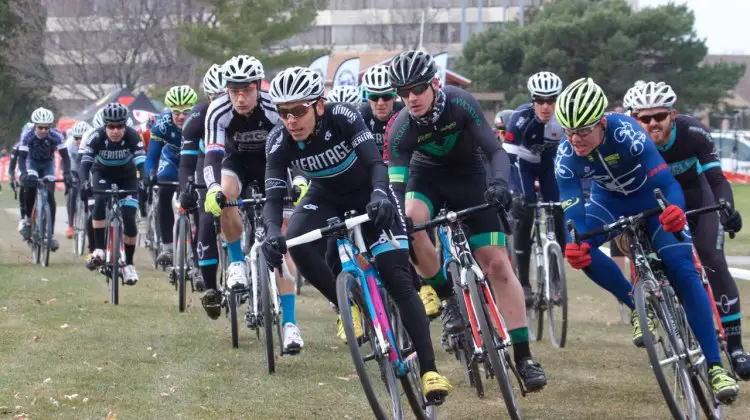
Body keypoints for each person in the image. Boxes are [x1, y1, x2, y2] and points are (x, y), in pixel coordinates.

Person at [261, 66, 452, 400]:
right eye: (283, 112)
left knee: (397, 278)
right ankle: (346, 306)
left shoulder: (344, 116)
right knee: (298, 243)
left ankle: (429, 370)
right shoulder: (278, 140)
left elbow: (376, 164)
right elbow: (274, 195)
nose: (291, 120)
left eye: (299, 110)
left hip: (370, 192)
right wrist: (270, 232)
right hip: (325, 197)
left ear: (319, 105)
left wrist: (380, 194)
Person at [555, 77, 739, 402]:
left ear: (601, 122)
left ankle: (715, 367)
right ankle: (636, 306)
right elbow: (573, 209)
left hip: (651, 198)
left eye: (583, 131)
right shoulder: (566, 155)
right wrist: (576, 240)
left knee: (682, 268)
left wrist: (675, 211)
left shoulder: (627, 132)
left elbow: (667, 184)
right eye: (568, 131)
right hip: (607, 203)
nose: (575, 139)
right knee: (581, 249)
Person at [386, 50, 547, 391]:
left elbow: (495, 152)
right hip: (426, 179)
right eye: (403, 92)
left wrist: (500, 184)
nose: (411, 98)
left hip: (471, 176)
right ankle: (447, 298)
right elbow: (397, 187)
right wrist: (398, 218)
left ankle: (523, 356)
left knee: (498, 265)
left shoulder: (461, 104)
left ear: (434, 83)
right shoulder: (399, 127)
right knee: (411, 223)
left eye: (417, 89)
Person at [629, 81, 749, 378]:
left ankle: (735, 347)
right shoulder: (628, 143)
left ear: (673, 114)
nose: (653, 123)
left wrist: (727, 208)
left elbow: (717, 179)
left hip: (697, 197)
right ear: (634, 119)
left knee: (711, 256)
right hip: (658, 205)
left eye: (660, 116)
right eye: (645, 118)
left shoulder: (693, 133)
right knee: (668, 266)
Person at [202, 55, 304, 352]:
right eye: (234, 91)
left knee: (282, 238)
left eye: (246, 90)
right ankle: (236, 261)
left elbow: (296, 146)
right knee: (225, 194)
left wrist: (297, 180)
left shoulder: (275, 106)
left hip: (274, 162)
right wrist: (212, 189)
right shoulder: (218, 110)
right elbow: (212, 155)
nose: (240, 97)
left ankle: (290, 324)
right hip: (238, 164)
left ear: (258, 86)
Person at [504, 72, 566, 305]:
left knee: (559, 208)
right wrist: (511, 189)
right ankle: (524, 282)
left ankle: (557, 275)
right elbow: (508, 157)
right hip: (523, 163)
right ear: (532, 100)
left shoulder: (564, 119)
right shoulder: (519, 119)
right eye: (540, 100)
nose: (546, 106)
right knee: (525, 208)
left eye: (551, 100)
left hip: (550, 164)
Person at [79, 103, 145, 285]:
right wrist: (84, 183)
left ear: (125, 125)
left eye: (119, 127)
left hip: (127, 177)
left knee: (130, 218)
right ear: (104, 126)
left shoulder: (133, 136)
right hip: (102, 174)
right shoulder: (96, 137)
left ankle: (129, 264)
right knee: (99, 200)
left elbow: (141, 163)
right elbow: (85, 164)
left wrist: (144, 180)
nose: (115, 131)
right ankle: (99, 248)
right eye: (111, 127)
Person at [179, 63, 227, 315]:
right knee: (206, 218)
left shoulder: (241, 112)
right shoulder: (197, 118)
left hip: (236, 163)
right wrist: (185, 190)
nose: (218, 102)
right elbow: (186, 163)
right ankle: (211, 288)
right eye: (213, 97)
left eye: (223, 97)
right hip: (206, 164)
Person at [145, 85, 199, 267]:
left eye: (186, 112)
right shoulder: (162, 124)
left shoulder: (201, 121)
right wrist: (149, 173)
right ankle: (167, 247)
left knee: (198, 199)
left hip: (194, 160)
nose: (181, 116)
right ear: (170, 110)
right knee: (164, 192)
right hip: (172, 160)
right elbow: (152, 155)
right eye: (176, 112)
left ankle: (200, 247)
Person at [17, 108, 72, 250]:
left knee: (50, 195)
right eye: (40, 127)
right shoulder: (27, 134)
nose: (43, 130)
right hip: (32, 162)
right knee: (30, 186)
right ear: (35, 125)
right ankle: (28, 220)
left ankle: (50, 235)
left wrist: (66, 173)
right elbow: (22, 157)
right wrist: (24, 174)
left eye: (46, 127)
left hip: (48, 163)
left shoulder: (56, 135)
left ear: (50, 127)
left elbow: (65, 157)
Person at [63, 121, 93, 240]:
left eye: (81, 138)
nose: (79, 141)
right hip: (74, 165)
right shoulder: (70, 144)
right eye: (76, 138)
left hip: (88, 166)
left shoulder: (92, 141)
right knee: (73, 190)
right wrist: (72, 178)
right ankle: (71, 225)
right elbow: (69, 164)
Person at [9, 123, 35, 234]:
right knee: (24, 185)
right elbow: (11, 167)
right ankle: (23, 216)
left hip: (36, 168)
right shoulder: (18, 146)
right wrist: (12, 179)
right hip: (23, 169)